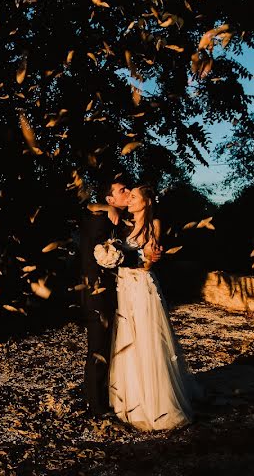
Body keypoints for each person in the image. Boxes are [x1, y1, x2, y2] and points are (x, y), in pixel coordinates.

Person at [108, 185, 202, 431]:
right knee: (129, 341)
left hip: (142, 287)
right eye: (129, 195)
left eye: (134, 196)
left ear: (147, 202)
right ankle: (132, 404)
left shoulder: (154, 224)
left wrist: (151, 258)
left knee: (148, 341)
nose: (129, 198)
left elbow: (149, 263)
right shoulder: (123, 224)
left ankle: (157, 406)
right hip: (124, 289)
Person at [79, 177, 145, 417]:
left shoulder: (118, 218)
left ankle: (108, 397)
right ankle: (94, 406)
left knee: (112, 347)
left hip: (118, 292)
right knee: (98, 349)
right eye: (122, 190)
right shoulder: (100, 218)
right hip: (98, 293)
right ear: (110, 199)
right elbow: (102, 256)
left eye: (129, 188)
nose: (127, 192)